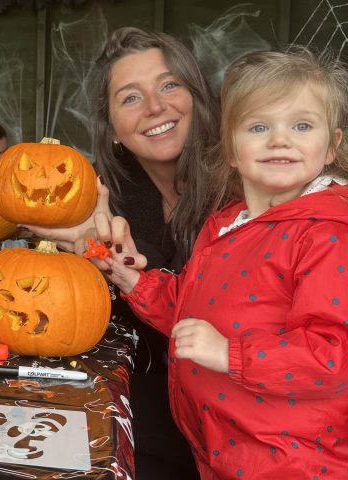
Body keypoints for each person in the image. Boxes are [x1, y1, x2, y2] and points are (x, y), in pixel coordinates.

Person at [100, 48, 348, 478]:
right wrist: (134, 281)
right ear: (231, 148)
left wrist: (231, 354)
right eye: (258, 127)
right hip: (222, 443)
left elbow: (334, 355)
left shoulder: (326, 232)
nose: (280, 139)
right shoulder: (227, 224)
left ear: (333, 146)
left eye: (302, 125)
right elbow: (190, 304)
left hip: (292, 458)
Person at [27, 27, 220, 479]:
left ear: (198, 96)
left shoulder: (245, 179)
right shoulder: (111, 199)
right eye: (131, 97)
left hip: (238, 405)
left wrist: (130, 257)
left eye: (170, 85)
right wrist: (87, 249)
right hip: (163, 399)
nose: (156, 107)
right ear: (112, 127)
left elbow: (213, 302)